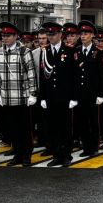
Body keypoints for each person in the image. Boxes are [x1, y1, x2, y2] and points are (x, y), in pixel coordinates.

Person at [0, 22, 38, 166]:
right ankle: (17, 154)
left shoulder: (24, 51)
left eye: (8, 36)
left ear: (15, 36)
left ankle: (26, 156)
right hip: (7, 97)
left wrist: (33, 93)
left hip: (22, 97)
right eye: (3, 36)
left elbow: (31, 73)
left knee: (25, 129)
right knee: (13, 128)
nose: (5, 38)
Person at [39, 22, 79, 166]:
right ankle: (56, 155)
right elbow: (42, 75)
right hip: (50, 96)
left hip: (65, 96)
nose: (51, 37)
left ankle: (66, 155)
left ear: (60, 35)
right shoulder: (45, 51)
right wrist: (42, 96)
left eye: (53, 34)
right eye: (49, 34)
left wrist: (74, 97)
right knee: (52, 127)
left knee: (65, 127)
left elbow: (75, 75)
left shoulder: (69, 50)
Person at [76, 20, 103, 156]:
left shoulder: (98, 52)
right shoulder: (76, 52)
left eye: (86, 33)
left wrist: (100, 94)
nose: (83, 36)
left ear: (92, 35)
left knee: (93, 121)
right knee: (82, 121)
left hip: (93, 93)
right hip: (80, 93)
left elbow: (102, 75)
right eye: (81, 33)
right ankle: (86, 146)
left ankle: (93, 147)